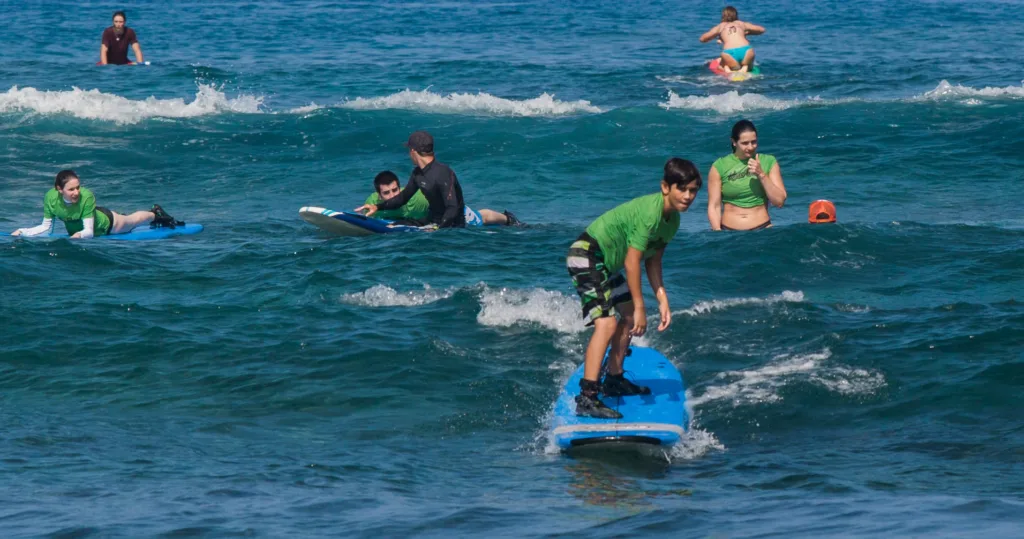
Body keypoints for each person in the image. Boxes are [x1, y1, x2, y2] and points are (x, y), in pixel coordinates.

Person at [566, 158, 702, 418]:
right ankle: (587, 398)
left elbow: (653, 259)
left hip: (606, 264)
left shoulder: (672, 221)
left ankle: (614, 379)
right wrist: (641, 306)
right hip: (587, 254)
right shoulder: (650, 214)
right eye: (682, 189)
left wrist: (662, 298)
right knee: (606, 323)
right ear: (666, 187)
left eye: (693, 190)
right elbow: (632, 262)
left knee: (627, 319)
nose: (688, 196)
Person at [357, 131, 521, 228]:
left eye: (409, 150)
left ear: (414, 151)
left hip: (457, 220)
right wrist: (377, 206)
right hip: (432, 220)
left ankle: (508, 219)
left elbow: (452, 207)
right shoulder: (418, 174)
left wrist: (438, 228)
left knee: (482, 218)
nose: (408, 154)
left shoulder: (443, 172)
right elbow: (402, 198)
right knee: (400, 224)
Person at [11, 170, 180, 239]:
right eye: (71, 190)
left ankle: (155, 213)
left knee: (132, 221)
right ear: (59, 189)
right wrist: (22, 232)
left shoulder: (86, 196)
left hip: (108, 225)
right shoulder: (50, 198)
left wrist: (77, 236)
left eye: (78, 187)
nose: (76, 192)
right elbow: (46, 228)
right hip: (90, 217)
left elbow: (89, 232)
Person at [707, 119, 787, 231]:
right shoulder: (719, 166)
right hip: (729, 232)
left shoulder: (768, 161)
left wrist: (761, 174)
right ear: (734, 142)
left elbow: (779, 201)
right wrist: (717, 231)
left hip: (763, 228)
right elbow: (714, 206)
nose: (750, 147)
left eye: (753, 142)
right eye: (745, 143)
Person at [366, 170, 520, 227]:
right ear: (379, 195)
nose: (393, 196)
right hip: (420, 220)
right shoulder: (374, 202)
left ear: (400, 188)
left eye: (395, 190)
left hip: (446, 211)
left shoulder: (416, 200)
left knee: (481, 219)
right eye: (387, 193)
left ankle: (508, 219)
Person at [699, 6, 765, 73]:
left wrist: (717, 36)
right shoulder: (741, 24)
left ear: (723, 16)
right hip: (747, 50)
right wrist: (746, 33)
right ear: (736, 15)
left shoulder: (720, 26)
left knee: (718, 66)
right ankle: (745, 67)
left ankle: (727, 69)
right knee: (750, 67)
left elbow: (702, 39)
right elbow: (761, 30)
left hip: (729, 53)